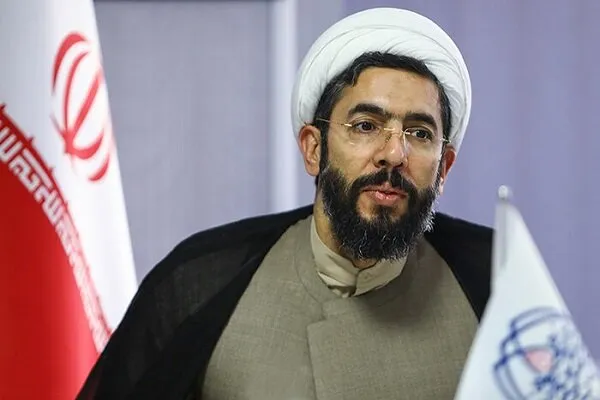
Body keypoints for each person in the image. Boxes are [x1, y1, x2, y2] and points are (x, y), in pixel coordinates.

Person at [78, 7, 492, 400]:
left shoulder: (493, 281)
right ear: (313, 148)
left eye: (419, 134)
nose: (394, 154)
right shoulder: (199, 284)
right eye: (366, 126)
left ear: (443, 168)